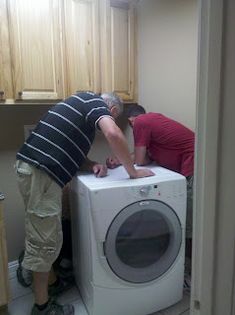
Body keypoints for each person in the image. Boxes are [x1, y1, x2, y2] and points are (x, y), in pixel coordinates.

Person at [15, 93, 154, 315]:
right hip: (41, 173)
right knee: (44, 241)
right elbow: (113, 133)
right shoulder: (94, 102)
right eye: (113, 115)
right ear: (111, 108)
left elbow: (72, 152)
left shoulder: (81, 113)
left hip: (38, 172)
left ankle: (52, 283)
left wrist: (92, 166)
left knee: (47, 235)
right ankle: (42, 308)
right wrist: (133, 172)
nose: (111, 119)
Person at [106, 104, 194, 258]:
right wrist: (120, 160)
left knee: (188, 221)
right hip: (190, 166)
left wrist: (125, 161)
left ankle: (190, 267)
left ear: (130, 121)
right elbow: (144, 158)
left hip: (194, 166)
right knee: (184, 218)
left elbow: (139, 161)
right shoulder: (153, 123)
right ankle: (183, 262)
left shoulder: (141, 122)